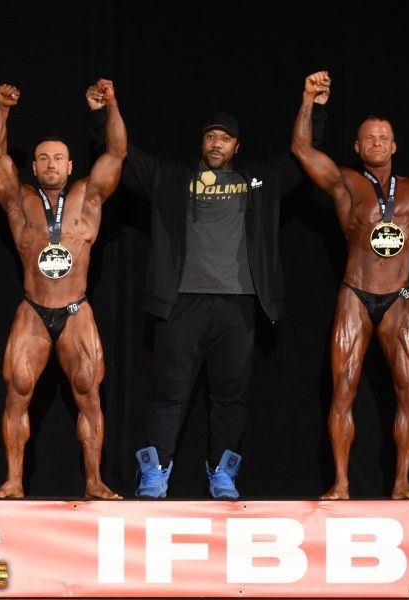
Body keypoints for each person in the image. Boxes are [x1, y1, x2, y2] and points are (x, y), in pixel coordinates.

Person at [88, 75, 328, 499]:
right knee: (168, 395)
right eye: (211, 137)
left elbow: (303, 152)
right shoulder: (171, 178)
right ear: (202, 143)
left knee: (230, 398)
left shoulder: (259, 180)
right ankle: (154, 474)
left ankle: (223, 475)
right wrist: (106, 110)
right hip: (181, 303)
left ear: (237, 146)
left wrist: (313, 104)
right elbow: (120, 153)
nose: (217, 144)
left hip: (239, 307)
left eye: (225, 139)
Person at [291, 71, 409, 500]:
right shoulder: (345, 183)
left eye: (383, 137)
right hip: (355, 294)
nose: (376, 142)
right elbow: (302, 149)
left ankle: (402, 482)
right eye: (368, 138)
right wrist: (308, 100)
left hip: (400, 297)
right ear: (357, 147)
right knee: (343, 391)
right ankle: (340, 483)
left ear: (394, 146)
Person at [0, 79, 126, 499]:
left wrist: (112, 106)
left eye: (58, 158)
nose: (50, 164)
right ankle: (13, 481)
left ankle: (94, 481)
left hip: (76, 309)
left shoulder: (88, 198)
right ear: (34, 167)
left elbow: (116, 152)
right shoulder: (20, 201)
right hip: (33, 308)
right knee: (17, 390)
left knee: (89, 393)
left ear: (69, 165)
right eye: (43, 158)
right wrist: (2, 109)